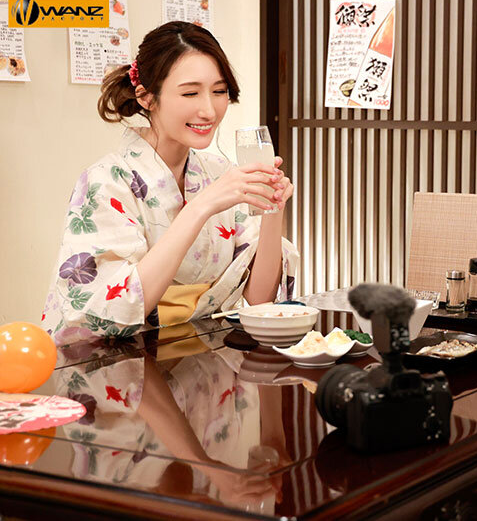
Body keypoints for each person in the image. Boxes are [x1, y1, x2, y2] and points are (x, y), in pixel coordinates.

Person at [41, 21, 298, 345]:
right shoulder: (106, 181)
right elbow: (113, 312)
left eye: (219, 91)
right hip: (109, 358)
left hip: (192, 354)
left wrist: (273, 207)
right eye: (190, 93)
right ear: (146, 97)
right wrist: (201, 207)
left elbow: (260, 298)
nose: (209, 110)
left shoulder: (220, 172)